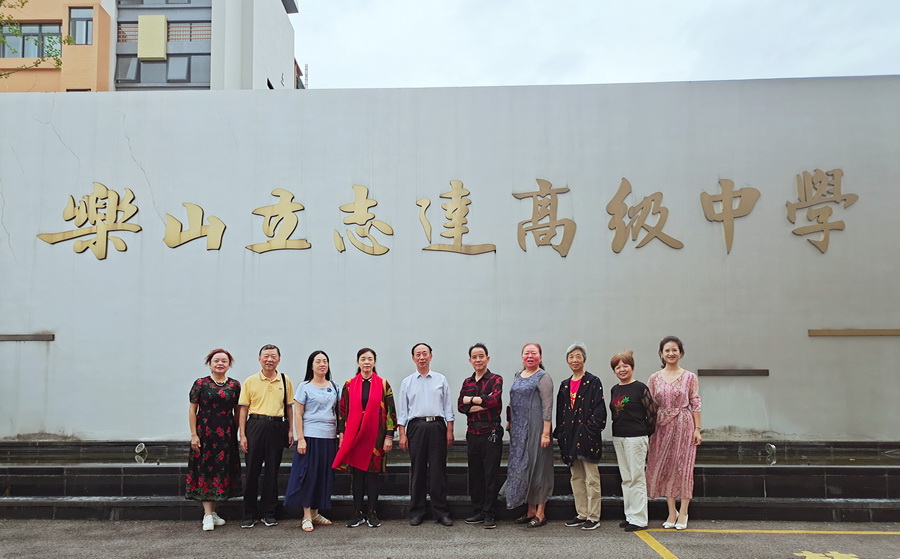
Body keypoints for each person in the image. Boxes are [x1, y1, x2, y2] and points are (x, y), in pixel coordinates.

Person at [332, 348, 397, 529]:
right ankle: (357, 513)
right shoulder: (349, 385)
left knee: (373, 476)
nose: (366, 362)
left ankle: (372, 513)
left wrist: (389, 436)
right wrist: (341, 435)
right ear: (358, 362)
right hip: (354, 436)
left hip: (376, 437)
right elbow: (342, 412)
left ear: (374, 362)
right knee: (358, 476)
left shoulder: (383, 384)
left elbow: (390, 411)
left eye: (370, 359)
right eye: (363, 359)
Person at [646, 336, 701, 530]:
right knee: (666, 467)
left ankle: (684, 511)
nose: (671, 353)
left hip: (683, 424)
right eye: (667, 350)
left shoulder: (690, 377)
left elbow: (696, 402)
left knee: (683, 466)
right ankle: (671, 511)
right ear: (661, 354)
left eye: (674, 350)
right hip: (661, 426)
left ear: (680, 353)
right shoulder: (654, 378)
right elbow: (650, 405)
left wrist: (697, 429)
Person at [397, 342, 455, 527]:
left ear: (431, 356)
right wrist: (402, 434)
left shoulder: (440, 380)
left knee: (438, 471)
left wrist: (450, 430)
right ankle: (417, 511)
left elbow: (448, 407)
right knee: (418, 470)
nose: (421, 357)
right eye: (418, 354)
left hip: (437, 426)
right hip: (416, 427)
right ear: (413, 358)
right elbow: (403, 411)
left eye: (424, 354)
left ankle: (441, 512)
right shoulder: (407, 382)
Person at [185, 348, 243, 531]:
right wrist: (194, 434)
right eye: (216, 360)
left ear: (229, 365)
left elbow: (238, 412)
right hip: (205, 434)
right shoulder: (200, 384)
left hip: (225, 435)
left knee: (220, 471)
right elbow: (192, 410)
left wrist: (235, 432)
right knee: (206, 470)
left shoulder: (235, 385)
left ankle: (213, 512)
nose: (220, 363)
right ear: (209, 364)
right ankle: (208, 515)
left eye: (224, 361)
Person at [238, 344, 294, 528]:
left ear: (279, 359)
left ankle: (268, 513)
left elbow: (289, 407)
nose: (269, 360)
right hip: (255, 425)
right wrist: (242, 434)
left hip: (277, 427)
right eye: (266, 356)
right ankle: (249, 514)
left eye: (273, 356)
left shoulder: (285, 380)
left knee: (272, 471)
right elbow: (243, 409)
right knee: (252, 471)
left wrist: (290, 430)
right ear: (259, 359)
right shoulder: (250, 381)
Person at [500, 343, 554, 528]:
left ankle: (541, 513)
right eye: (526, 353)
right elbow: (512, 401)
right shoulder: (518, 375)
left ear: (540, 356)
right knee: (524, 468)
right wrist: (509, 421)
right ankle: (530, 510)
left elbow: (547, 407)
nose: (530, 356)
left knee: (539, 468)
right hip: (518, 430)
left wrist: (545, 433)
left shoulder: (543, 377)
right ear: (522, 356)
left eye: (534, 353)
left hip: (537, 428)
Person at [553, 343, 606, 531]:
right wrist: (561, 434)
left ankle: (593, 516)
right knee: (576, 477)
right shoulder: (564, 385)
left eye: (578, 356)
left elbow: (599, 411)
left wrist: (589, 430)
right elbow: (560, 413)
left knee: (592, 478)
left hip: (587, 437)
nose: (574, 360)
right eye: (571, 357)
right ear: (567, 361)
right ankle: (582, 513)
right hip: (570, 437)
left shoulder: (593, 382)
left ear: (584, 359)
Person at [284, 350, 338, 532]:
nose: (322, 364)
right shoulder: (304, 386)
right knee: (307, 475)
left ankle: (315, 513)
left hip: (329, 437)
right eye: (318, 361)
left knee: (323, 475)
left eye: (325, 361)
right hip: (310, 437)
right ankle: (306, 515)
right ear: (311, 365)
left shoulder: (334, 387)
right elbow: (298, 413)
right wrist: (300, 438)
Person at [609, 350, 657, 532]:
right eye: (618, 367)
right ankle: (630, 515)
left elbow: (652, 414)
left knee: (637, 478)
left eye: (625, 366)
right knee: (626, 478)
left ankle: (639, 519)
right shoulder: (615, 389)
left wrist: (644, 433)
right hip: (619, 436)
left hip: (636, 437)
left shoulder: (640, 388)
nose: (622, 369)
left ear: (632, 367)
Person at [457, 343, 503, 529]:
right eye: (474, 357)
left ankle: (490, 513)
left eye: (481, 356)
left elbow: (494, 400)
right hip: (472, 433)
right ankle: (478, 510)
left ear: (487, 358)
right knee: (475, 475)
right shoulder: (467, 382)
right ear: (470, 361)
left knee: (491, 474)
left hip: (490, 433)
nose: (478, 360)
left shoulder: (495, 379)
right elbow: (461, 406)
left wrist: (471, 401)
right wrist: (482, 402)